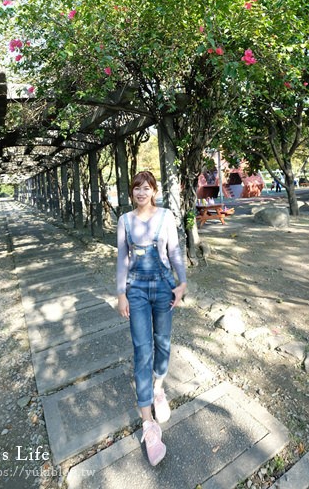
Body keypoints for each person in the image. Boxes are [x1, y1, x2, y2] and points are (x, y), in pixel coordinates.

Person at [116, 170, 187, 466]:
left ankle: (158, 388)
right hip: (136, 290)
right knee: (142, 350)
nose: (141, 192)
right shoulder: (124, 220)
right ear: (132, 192)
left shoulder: (166, 216)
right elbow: (122, 258)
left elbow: (174, 251)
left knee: (163, 343)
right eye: (137, 188)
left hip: (163, 287)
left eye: (146, 188)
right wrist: (120, 294)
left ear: (154, 191)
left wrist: (182, 283)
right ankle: (148, 425)